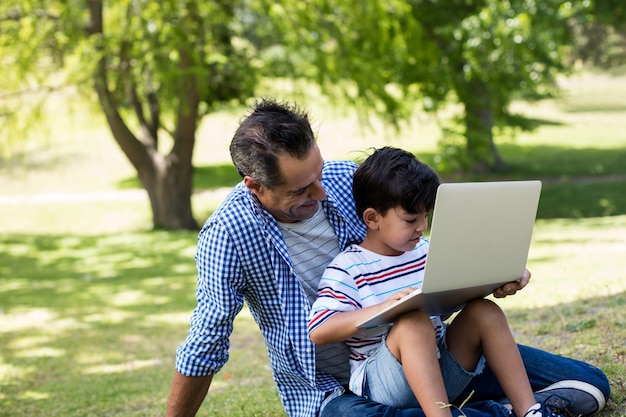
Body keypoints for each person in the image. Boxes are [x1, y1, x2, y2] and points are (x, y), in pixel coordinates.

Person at [165, 98, 610, 417]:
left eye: (318, 174)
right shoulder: (228, 235)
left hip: (431, 359)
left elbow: (423, 256)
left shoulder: (344, 180)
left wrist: (491, 274)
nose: (321, 193)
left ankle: (509, 409)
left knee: (593, 382)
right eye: (301, 190)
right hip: (335, 392)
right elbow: (206, 344)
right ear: (255, 187)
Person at [308, 147, 554, 417]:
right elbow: (319, 330)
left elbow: (463, 284)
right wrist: (384, 308)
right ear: (372, 218)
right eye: (411, 219)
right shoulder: (348, 267)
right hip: (384, 385)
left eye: (426, 215)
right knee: (413, 323)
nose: (422, 226)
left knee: (486, 312)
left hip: (438, 373)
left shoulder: (427, 252)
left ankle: (529, 411)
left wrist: (504, 274)